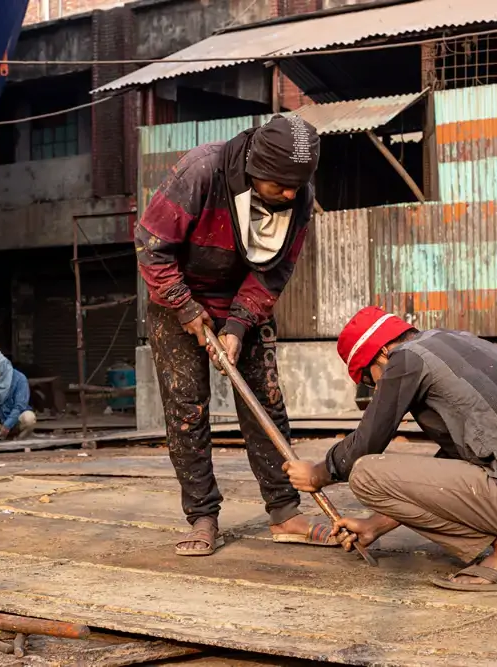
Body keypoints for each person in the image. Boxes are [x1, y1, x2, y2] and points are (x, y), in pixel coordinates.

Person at [284, 306, 497, 591]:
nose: (377, 389)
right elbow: (454, 470)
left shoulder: (404, 360)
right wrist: (375, 524)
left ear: (381, 355)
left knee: (366, 474)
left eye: (371, 380)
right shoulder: (457, 343)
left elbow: (365, 446)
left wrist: (318, 473)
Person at [136, 114, 332, 556]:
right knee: (188, 410)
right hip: (176, 295)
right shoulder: (202, 171)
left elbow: (276, 271)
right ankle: (203, 515)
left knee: (266, 402)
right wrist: (186, 307)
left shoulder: (297, 194)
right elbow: (151, 246)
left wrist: (239, 325)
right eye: (280, 185)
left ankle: (284, 512)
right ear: (256, 168)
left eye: (296, 186)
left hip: (242, 297)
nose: (289, 194)